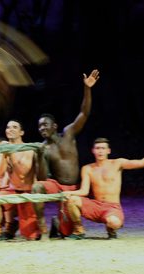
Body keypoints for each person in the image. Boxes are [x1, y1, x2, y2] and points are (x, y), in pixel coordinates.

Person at [32, 69, 100, 237]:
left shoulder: (68, 133)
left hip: (73, 188)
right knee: (36, 187)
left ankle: (58, 224)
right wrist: (40, 155)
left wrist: (87, 89)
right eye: (40, 126)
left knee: (65, 232)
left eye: (45, 125)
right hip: (56, 185)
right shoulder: (42, 148)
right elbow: (42, 178)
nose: (42, 128)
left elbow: (84, 113)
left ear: (54, 126)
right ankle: (41, 223)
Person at [62, 138, 144, 239]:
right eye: (97, 148)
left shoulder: (117, 163)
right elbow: (84, 191)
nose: (100, 151)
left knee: (113, 222)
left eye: (103, 148)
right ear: (93, 151)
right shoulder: (87, 168)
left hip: (112, 207)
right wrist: (70, 193)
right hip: (96, 206)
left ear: (108, 151)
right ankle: (79, 230)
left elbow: (140, 162)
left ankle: (111, 230)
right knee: (72, 200)